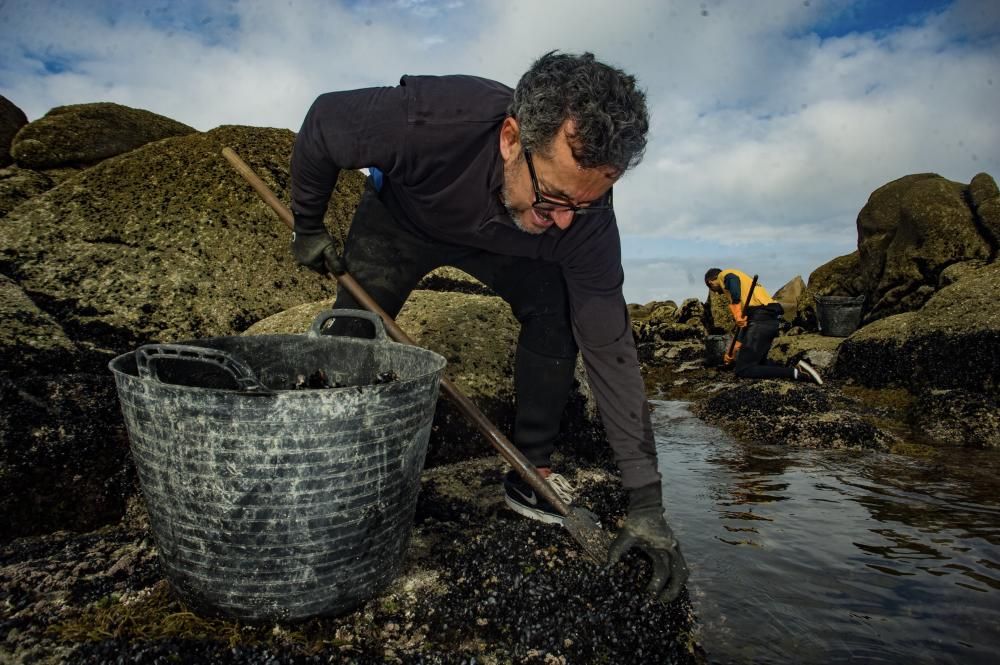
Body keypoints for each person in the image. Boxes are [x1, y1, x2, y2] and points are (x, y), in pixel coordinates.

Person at [290, 51, 687, 602]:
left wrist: (647, 503)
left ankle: (531, 472)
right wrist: (307, 224)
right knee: (352, 333)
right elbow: (324, 122)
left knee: (559, 313)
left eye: (586, 202)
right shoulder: (426, 121)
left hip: (514, 246)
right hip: (403, 220)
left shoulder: (581, 220)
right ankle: (323, 470)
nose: (568, 219)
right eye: (555, 196)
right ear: (510, 138)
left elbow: (610, 346)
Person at [705, 268, 823, 384]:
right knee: (760, 363)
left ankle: (797, 373)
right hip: (767, 319)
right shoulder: (747, 285)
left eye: (712, 288)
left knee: (743, 369)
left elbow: (733, 282)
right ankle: (799, 367)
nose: (716, 292)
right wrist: (732, 352)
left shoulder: (725, 275)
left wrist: (736, 312)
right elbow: (745, 326)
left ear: (710, 281)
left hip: (760, 320)